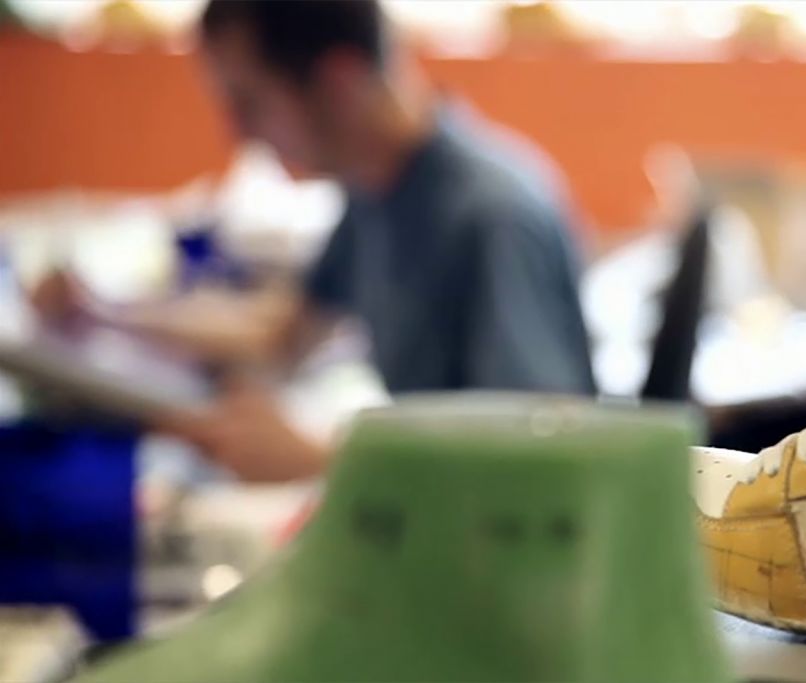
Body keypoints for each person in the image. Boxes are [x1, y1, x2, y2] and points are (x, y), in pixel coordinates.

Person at [34, 0, 594, 480]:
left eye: (249, 103)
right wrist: (103, 312)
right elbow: (277, 334)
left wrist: (322, 457)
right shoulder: (380, 192)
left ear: (338, 82)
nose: (240, 133)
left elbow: (543, 454)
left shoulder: (491, 217)